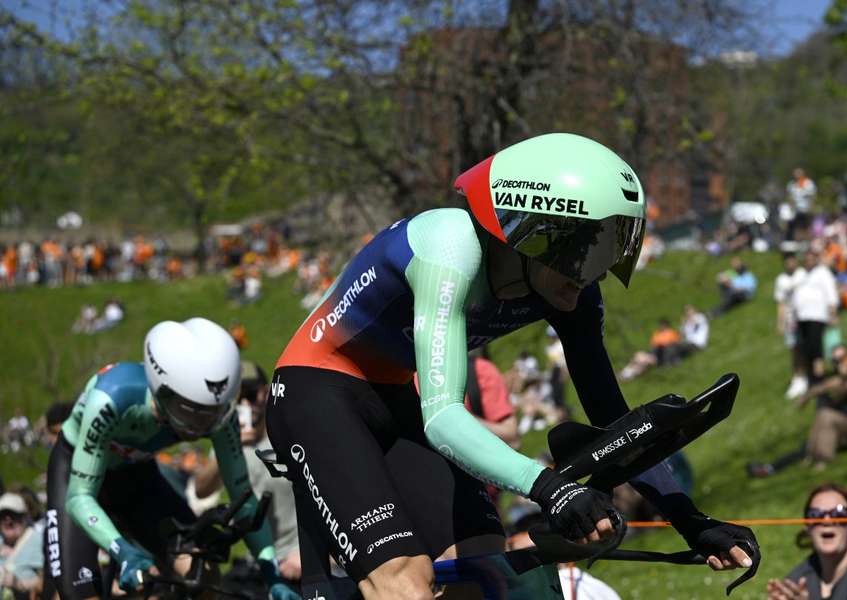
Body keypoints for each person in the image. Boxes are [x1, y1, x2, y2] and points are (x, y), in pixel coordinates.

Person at [265, 133, 758, 600]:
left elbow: (616, 419)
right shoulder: (450, 244)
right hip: (317, 391)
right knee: (404, 579)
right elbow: (443, 419)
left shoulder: (569, 290)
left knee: (484, 569)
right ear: (533, 232)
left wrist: (690, 520)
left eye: (612, 248)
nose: (598, 271)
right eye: (587, 249)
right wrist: (550, 488)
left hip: (394, 397)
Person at [42, 318, 298, 600]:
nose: (204, 425)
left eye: (213, 412)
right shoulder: (111, 399)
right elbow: (80, 497)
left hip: (137, 477)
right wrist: (121, 550)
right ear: (160, 390)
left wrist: (272, 575)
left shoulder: (218, 416)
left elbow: (243, 497)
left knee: (202, 572)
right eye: (192, 412)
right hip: (76, 479)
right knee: (77, 594)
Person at [192, 362, 303, 585]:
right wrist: (230, 450)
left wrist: (308, 554)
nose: (245, 404)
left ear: (267, 391)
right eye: (237, 399)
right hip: (259, 561)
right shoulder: (229, 440)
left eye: (252, 395)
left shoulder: (288, 433)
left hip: (298, 556)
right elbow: (201, 490)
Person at [767, 483, 847, 599]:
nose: (826, 521)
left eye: (839, 513)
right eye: (815, 514)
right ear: (807, 527)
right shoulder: (801, 578)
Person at [792, 250, 839, 387]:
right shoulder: (800, 274)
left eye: (811, 259)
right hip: (802, 317)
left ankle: (819, 377)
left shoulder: (822, 273)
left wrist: (833, 313)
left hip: (817, 315)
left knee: (816, 347)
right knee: (805, 348)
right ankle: (810, 377)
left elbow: (831, 294)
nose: (809, 261)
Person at [775, 254, 809, 399]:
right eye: (787, 261)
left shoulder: (804, 274)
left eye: (792, 260)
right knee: (794, 348)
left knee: (806, 347)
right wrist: (780, 322)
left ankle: (807, 376)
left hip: (806, 316)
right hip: (791, 319)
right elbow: (781, 303)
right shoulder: (781, 280)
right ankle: (798, 378)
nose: (790, 264)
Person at [0, 492, 43, 599]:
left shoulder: (38, 540)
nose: (7, 519)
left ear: (25, 516)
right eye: (3, 515)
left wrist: (18, 583)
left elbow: (50, 582)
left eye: (13, 514)